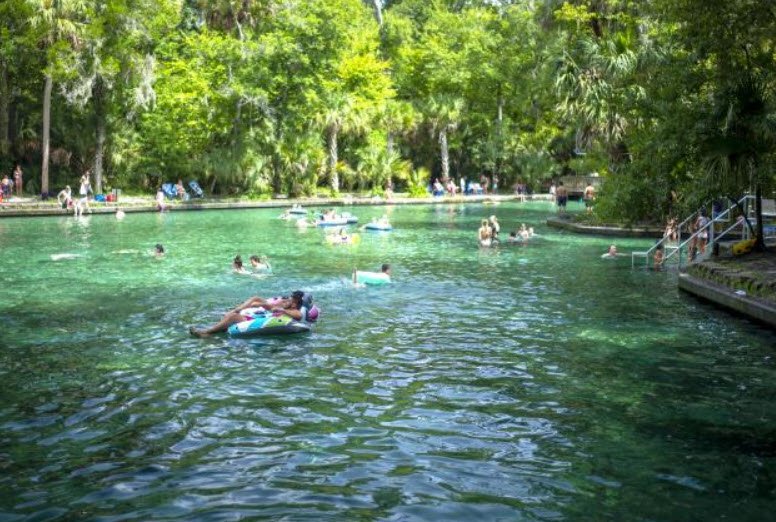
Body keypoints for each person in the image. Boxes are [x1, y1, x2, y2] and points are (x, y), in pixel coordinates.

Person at [190, 290, 306, 337]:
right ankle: (214, 333)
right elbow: (267, 306)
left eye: (291, 300)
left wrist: (283, 310)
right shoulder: (282, 305)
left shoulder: (295, 311)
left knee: (233, 316)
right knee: (229, 316)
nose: (288, 301)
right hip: (259, 319)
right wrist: (255, 305)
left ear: (295, 303)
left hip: (260, 322)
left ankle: (206, 333)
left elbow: (298, 316)